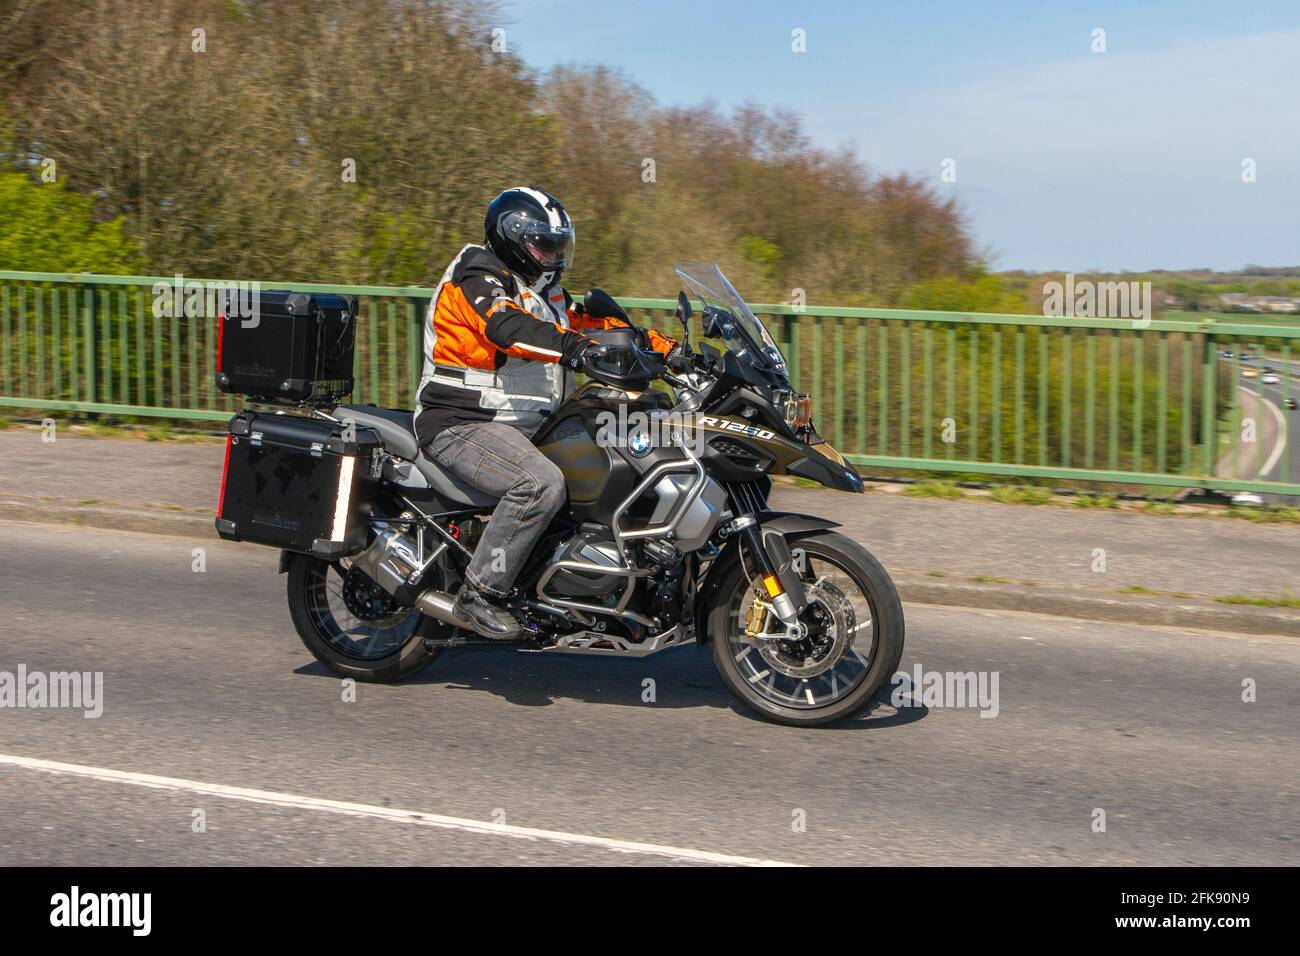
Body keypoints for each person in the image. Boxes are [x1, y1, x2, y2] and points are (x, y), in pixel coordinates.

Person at [414, 186, 674, 639]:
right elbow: (506, 325)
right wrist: (576, 351)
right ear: (511, 237)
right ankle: (481, 592)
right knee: (539, 484)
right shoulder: (477, 274)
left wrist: (668, 351)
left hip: (526, 424)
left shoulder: (545, 291)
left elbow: (590, 324)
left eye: (558, 244)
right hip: (462, 421)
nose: (553, 253)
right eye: (543, 243)